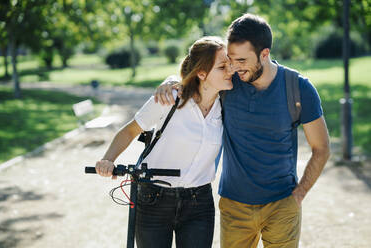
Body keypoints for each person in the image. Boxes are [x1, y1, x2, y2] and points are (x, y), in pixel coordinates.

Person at [154, 14, 330, 248]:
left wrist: (298, 196)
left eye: (242, 60)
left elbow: (321, 148)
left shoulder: (298, 87)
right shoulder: (229, 83)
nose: (235, 67)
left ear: (264, 54)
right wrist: (170, 81)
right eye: (231, 59)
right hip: (234, 206)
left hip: (281, 205)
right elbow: (198, 76)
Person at [95, 36, 233, 248]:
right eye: (223, 66)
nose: (230, 70)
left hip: (200, 203)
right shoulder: (170, 99)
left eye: (230, 64)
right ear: (202, 73)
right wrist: (108, 159)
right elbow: (130, 130)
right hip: (154, 199)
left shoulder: (227, 103)